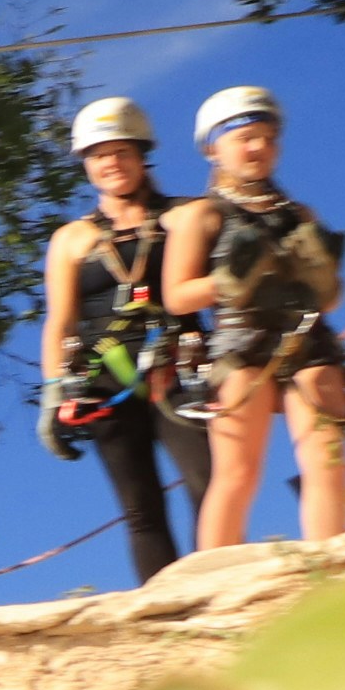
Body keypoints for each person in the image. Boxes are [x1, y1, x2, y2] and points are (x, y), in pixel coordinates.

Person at [163, 85, 345, 551]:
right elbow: (176, 296)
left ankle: (331, 565)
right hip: (242, 343)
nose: (260, 148)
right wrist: (225, 283)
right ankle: (213, 584)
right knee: (237, 471)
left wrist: (322, 280)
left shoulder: (298, 214)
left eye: (269, 138)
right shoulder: (202, 215)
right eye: (246, 138)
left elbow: (328, 302)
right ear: (214, 147)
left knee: (328, 458)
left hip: (306, 338)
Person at [38, 97, 215, 584]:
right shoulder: (70, 240)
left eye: (121, 152)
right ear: (86, 165)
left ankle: (217, 590)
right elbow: (60, 321)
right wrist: (54, 392)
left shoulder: (185, 215)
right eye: (99, 155)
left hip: (177, 366)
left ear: (141, 155)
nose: (111, 163)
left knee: (207, 483)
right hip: (103, 379)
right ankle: (164, 612)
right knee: (141, 509)